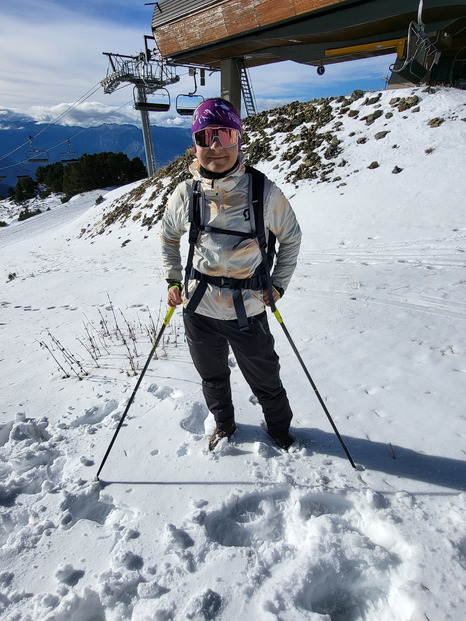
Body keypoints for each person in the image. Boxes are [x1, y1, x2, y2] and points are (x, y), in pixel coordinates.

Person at [159, 97, 301, 451]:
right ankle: (224, 426)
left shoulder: (262, 192)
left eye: (225, 134)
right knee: (212, 377)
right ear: (195, 144)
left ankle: (281, 433)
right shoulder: (185, 193)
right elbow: (168, 237)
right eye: (206, 137)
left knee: (266, 378)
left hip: (247, 310)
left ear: (239, 138)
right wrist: (174, 280)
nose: (216, 146)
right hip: (199, 309)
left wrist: (278, 284)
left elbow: (292, 238)